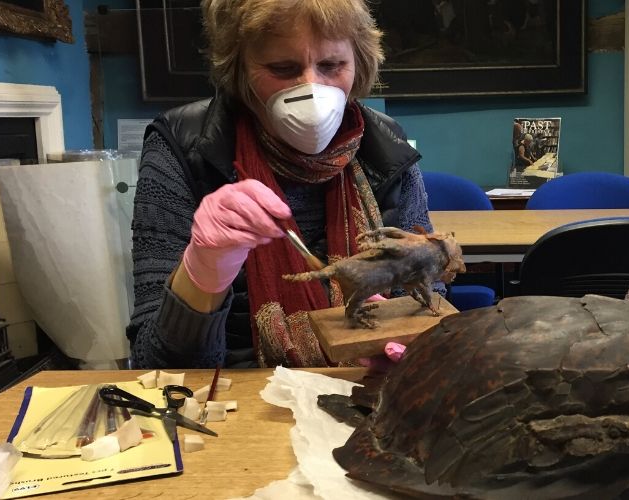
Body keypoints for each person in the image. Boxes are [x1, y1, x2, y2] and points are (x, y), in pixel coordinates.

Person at [128, 0, 437, 369]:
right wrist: (204, 269)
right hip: (241, 407)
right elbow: (156, 364)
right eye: (282, 68)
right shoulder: (181, 148)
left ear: (359, 62)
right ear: (240, 68)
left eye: (331, 65)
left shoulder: (386, 151)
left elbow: (429, 303)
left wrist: (411, 347)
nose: (311, 88)